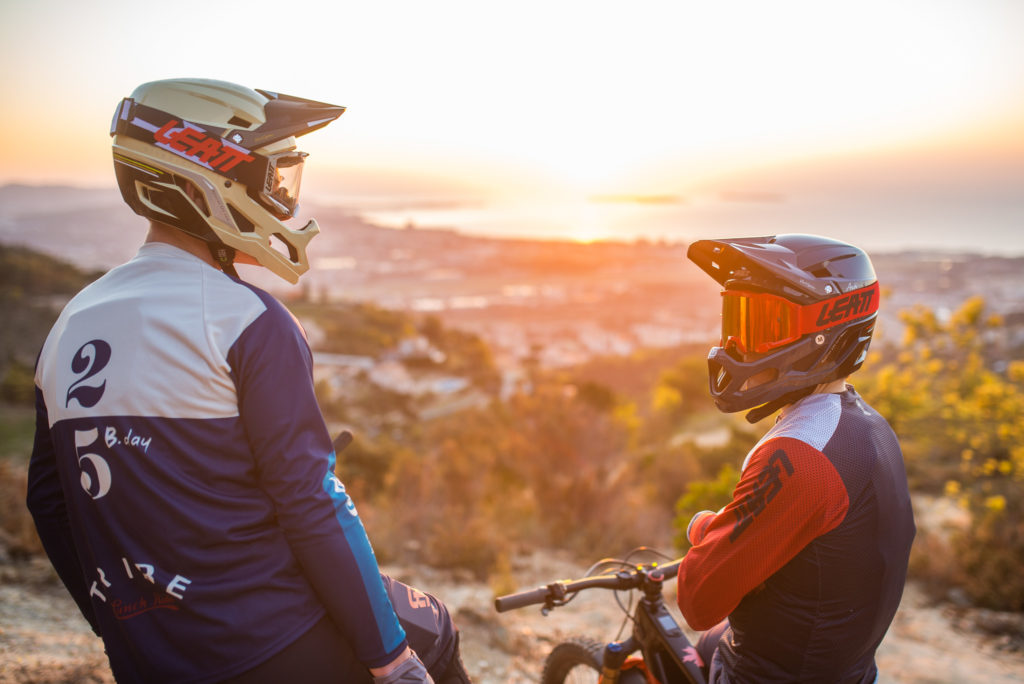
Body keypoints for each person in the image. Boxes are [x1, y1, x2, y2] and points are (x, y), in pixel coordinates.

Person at [26, 78, 470, 684]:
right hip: (264, 644)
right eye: (274, 178)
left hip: (147, 654)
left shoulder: (69, 324)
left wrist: (120, 628)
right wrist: (391, 659)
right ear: (199, 179)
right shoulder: (248, 319)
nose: (283, 201)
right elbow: (311, 503)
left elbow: (49, 503)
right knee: (434, 628)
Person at [676, 234, 916, 683]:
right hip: (846, 666)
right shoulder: (868, 426)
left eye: (764, 326)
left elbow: (697, 600)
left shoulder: (800, 456)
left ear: (825, 331)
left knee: (697, 640)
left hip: (769, 675)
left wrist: (707, 528)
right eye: (736, 321)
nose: (739, 345)